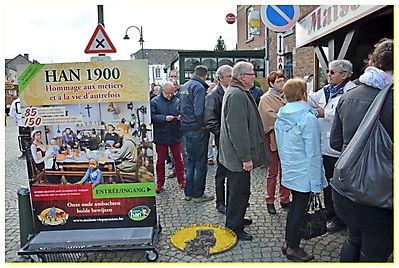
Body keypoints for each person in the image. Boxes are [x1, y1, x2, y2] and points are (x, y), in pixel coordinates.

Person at [330, 38, 393, 262]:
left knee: (353, 240)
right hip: (381, 194)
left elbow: (335, 143)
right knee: (374, 256)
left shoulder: (347, 97)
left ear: (371, 63)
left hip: (347, 186)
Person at [274, 78, 328, 261]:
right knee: (299, 208)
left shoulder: (282, 115)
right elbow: (313, 153)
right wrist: (316, 183)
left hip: (290, 168)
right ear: (304, 94)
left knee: (295, 207)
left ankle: (289, 242)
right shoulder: (308, 118)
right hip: (304, 171)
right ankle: (294, 247)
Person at [219, 61, 270, 240]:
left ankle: (236, 219)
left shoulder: (236, 91)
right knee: (239, 192)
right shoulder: (237, 94)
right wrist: (245, 157)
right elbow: (237, 130)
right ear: (242, 76)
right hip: (237, 157)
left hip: (234, 156)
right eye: (252, 73)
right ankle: (234, 227)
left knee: (237, 190)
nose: (254, 77)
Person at [308, 59, 357, 233]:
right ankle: (330, 210)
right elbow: (311, 97)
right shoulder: (327, 90)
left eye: (332, 72)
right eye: (328, 71)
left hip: (338, 146)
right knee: (327, 181)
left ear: (344, 75)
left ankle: (340, 217)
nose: (328, 75)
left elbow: (347, 115)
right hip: (323, 145)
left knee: (339, 184)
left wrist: (325, 113)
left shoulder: (351, 92)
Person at [258, 71, 291, 214]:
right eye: (278, 81)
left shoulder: (289, 97)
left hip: (288, 139)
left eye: (283, 81)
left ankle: (285, 198)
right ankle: (269, 200)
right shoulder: (266, 98)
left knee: (286, 170)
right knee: (272, 172)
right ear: (271, 83)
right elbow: (269, 117)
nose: (282, 84)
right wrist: (286, 117)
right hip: (272, 138)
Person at [179, 65, 213, 203]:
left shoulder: (184, 86)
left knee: (191, 161)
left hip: (186, 127)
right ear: (205, 75)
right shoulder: (199, 88)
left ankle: (189, 192)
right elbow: (199, 111)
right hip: (197, 128)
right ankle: (199, 194)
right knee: (200, 162)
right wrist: (204, 124)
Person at [204, 64, 233, 214]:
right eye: (229, 76)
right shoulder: (213, 96)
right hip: (222, 140)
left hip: (234, 140)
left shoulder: (234, 92)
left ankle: (233, 201)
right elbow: (210, 121)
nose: (232, 78)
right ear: (220, 78)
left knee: (233, 173)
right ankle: (220, 202)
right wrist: (223, 134)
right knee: (221, 173)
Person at [151, 81, 186, 193]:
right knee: (160, 161)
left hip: (175, 134)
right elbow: (151, 117)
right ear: (162, 91)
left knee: (178, 159)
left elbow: (183, 112)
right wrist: (164, 118)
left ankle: (182, 180)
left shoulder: (177, 101)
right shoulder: (155, 102)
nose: (170, 95)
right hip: (161, 135)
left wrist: (181, 117)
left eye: (172, 93)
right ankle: (160, 183)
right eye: (168, 93)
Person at [206, 82, 217, 165]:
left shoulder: (216, 97)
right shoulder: (206, 97)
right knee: (209, 142)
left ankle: (217, 156)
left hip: (216, 122)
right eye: (210, 87)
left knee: (216, 142)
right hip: (209, 123)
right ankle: (210, 157)